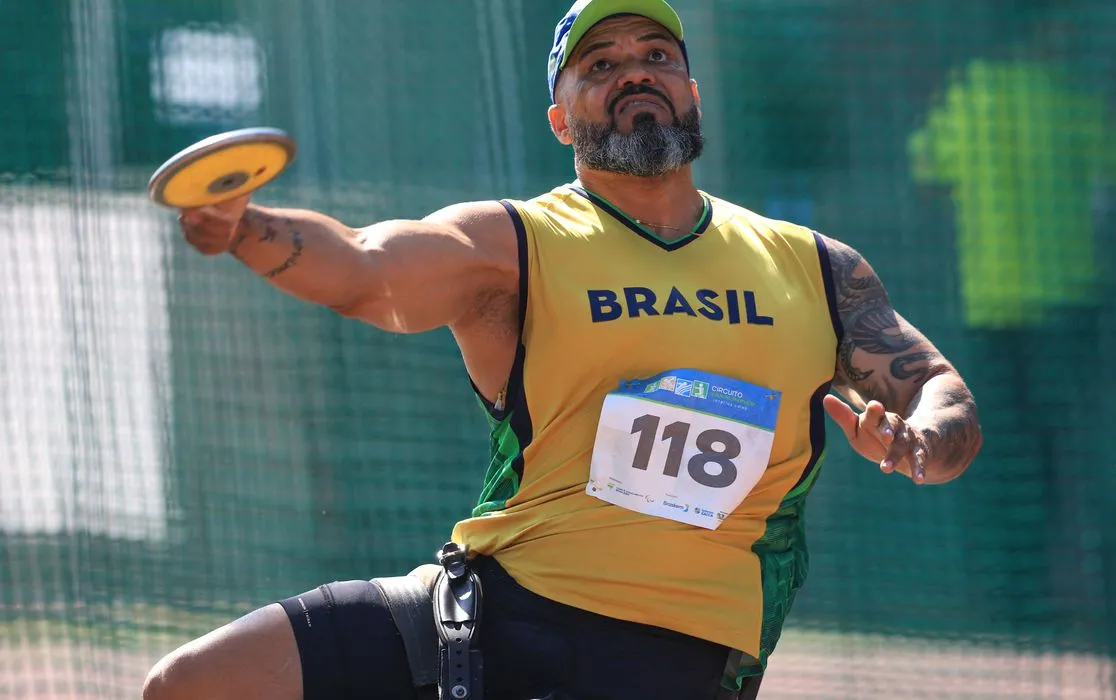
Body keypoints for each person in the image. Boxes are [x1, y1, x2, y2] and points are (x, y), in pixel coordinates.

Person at [143, 1, 982, 698]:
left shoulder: (814, 266)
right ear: (560, 116)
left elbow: (939, 390)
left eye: (655, 54)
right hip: (485, 602)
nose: (634, 72)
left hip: (675, 648)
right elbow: (366, 268)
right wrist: (248, 228)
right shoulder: (513, 244)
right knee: (194, 684)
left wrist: (923, 443)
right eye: (600, 66)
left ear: (691, 90)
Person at [907, 17, 1116, 631]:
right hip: (1071, 302)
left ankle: (1014, 603)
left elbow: (928, 174)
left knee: (1003, 456)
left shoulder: (971, 92)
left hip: (994, 306)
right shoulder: (1078, 97)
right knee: (1073, 453)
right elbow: (1111, 195)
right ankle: (1095, 596)